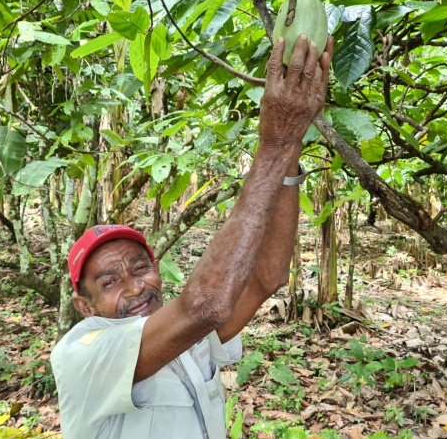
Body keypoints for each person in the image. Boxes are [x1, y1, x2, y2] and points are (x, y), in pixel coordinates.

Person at [51, 33, 334, 438]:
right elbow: (205, 306)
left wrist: (289, 150)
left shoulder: (178, 330)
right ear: (85, 306)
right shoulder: (83, 353)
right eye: (110, 281)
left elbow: (264, 279)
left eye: (140, 267)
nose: (135, 287)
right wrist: (274, 142)